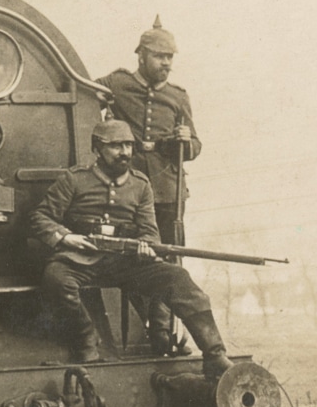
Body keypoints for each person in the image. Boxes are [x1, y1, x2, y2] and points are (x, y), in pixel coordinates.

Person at [28, 119, 233, 379]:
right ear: (97, 148)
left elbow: (149, 231)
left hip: (125, 263)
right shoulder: (74, 179)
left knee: (178, 279)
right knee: (56, 279)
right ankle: (86, 340)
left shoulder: (140, 185)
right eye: (116, 146)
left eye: (128, 145)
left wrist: (146, 247)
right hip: (80, 259)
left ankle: (215, 355)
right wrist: (67, 238)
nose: (124, 152)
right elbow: (40, 217)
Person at [96, 18, 203, 355]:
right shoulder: (117, 83)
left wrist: (186, 140)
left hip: (168, 191)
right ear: (141, 56)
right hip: (127, 189)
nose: (166, 63)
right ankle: (144, 328)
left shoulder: (178, 97)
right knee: (131, 257)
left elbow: (195, 147)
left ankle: (162, 332)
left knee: (167, 260)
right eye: (159, 56)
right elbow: (85, 97)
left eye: (170, 57)